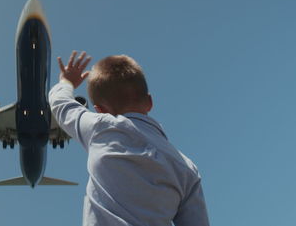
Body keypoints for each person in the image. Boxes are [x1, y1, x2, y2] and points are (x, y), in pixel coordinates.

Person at [49, 51, 210, 226]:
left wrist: (66, 82)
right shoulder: (187, 168)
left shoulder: (101, 128)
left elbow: (60, 104)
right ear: (149, 101)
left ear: (100, 110)